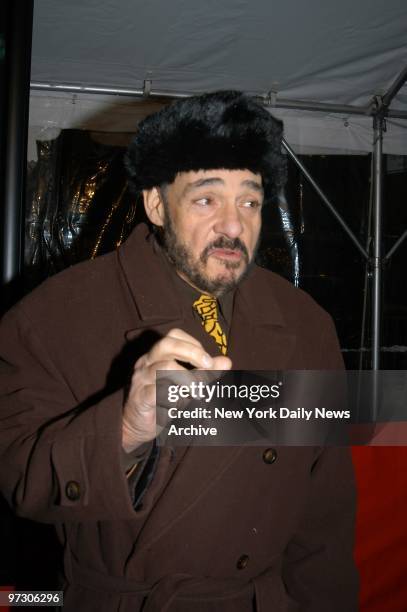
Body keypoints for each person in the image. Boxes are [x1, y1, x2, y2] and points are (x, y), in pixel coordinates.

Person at [0, 91, 358, 611]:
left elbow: (323, 516)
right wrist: (124, 429)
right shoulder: (52, 318)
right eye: (207, 198)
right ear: (155, 204)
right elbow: (20, 478)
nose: (234, 226)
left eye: (251, 200)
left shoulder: (306, 326)